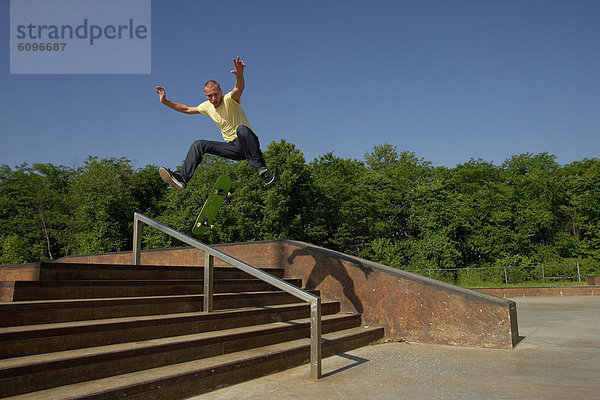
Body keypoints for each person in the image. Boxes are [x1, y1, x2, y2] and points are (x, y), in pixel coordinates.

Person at [155, 56, 274, 191]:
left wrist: (240, 75)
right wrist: (165, 101)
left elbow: (239, 87)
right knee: (199, 144)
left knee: (242, 129)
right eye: (209, 96)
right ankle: (182, 178)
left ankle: (262, 171)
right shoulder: (207, 106)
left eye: (215, 95)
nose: (213, 99)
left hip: (248, 142)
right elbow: (187, 109)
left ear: (221, 92)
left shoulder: (229, 99)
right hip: (233, 148)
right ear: (205, 95)